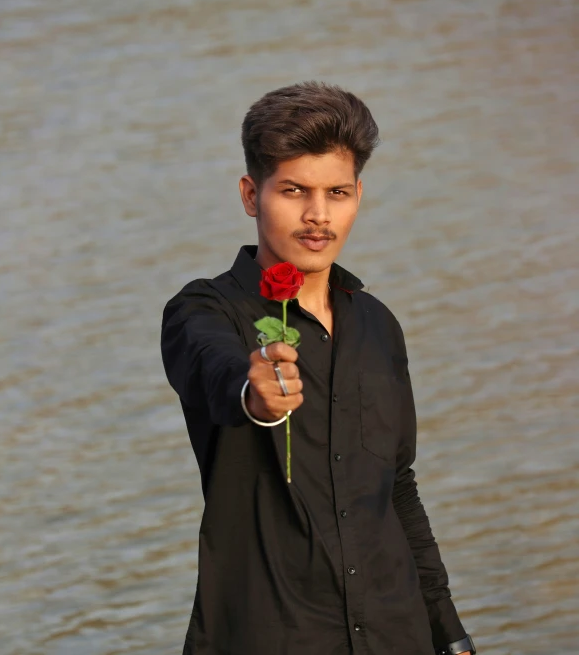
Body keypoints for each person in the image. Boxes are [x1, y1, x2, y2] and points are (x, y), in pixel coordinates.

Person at [160, 81, 476, 655]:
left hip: (395, 634)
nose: (318, 216)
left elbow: (398, 491)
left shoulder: (379, 326)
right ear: (251, 195)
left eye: (337, 192)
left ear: (359, 194)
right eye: (294, 190)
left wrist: (449, 632)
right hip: (269, 637)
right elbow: (214, 369)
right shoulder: (202, 312)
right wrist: (251, 392)